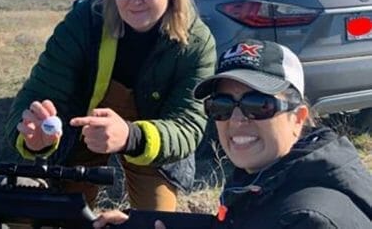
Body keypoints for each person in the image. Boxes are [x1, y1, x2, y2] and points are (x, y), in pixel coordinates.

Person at [5, 0, 217, 211]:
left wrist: (131, 136)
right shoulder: (83, 23)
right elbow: (37, 93)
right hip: (80, 127)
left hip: (151, 135)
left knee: (156, 219)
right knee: (65, 214)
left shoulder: (197, 42)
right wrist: (34, 139)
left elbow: (188, 126)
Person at [94, 39, 372, 228]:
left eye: (258, 105)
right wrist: (139, 221)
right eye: (221, 105)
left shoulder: (308, 220)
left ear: (298, 119)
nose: (237, 120)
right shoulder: (272, 178)